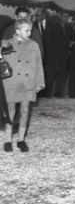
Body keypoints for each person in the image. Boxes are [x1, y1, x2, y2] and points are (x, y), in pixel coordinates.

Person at [1, 19, 44, 152]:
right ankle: (8, 140)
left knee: (25, 110)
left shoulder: (34, 45)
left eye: (30, 30)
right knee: (10, 110)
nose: (29, 33)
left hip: (28, 82)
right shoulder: (7, 44)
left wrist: (39, 82)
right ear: (17, 31)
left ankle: (21, 140)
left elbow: (38, 64)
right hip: (11, 82)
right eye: (27, 30)